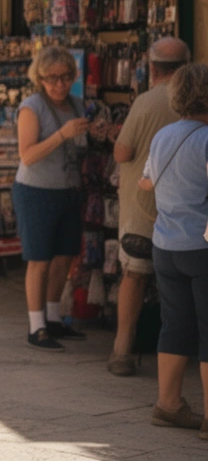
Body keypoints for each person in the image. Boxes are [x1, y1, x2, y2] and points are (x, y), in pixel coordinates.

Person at [109, 37, 189, 375]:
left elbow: (123, 153)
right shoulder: (195, 103)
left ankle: (122, 351)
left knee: (135, 276)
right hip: (188, 211)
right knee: (185, 285)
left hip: (144, 210)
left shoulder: (146, 101)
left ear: (152, 67)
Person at [139, 62, 208, 438]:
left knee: (175, 326)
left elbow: (146, 182)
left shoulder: (165, 135)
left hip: (164, 244)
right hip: (201, 245)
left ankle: (168, 404)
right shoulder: (207, 138)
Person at [13, 46, 89, 350]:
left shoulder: (77, 104)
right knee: (39, 260)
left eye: (65, 77)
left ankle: (54, 318)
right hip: (36, 191)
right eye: (52, 78)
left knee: (63, 257)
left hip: (69, 190)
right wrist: (63, 134)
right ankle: (37, 326)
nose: (59, 84)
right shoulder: (32, 107)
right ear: (40, 78)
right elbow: (27, 155)